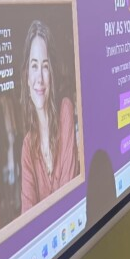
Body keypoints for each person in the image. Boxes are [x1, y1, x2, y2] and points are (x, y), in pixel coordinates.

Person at [20, 20, 80, 213]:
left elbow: (69, 199)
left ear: (51, 74)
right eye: (34, 66)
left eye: (45, 66)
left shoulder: (65, 111)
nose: (39, 78)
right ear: (27, 77)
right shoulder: (27, 147)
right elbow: (28, 214)